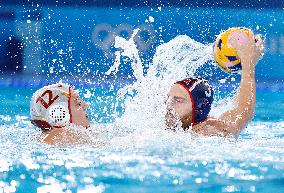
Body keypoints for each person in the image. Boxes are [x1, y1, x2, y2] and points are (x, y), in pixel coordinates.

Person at [165, 32, 264, 137]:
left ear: (199, 108)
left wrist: (247, 60)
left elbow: (243, 112)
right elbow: (242, 113)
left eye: (178, 100)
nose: (168, 105)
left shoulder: (208, 134)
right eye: (168, 98)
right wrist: (248, 61)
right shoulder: (155, 125)